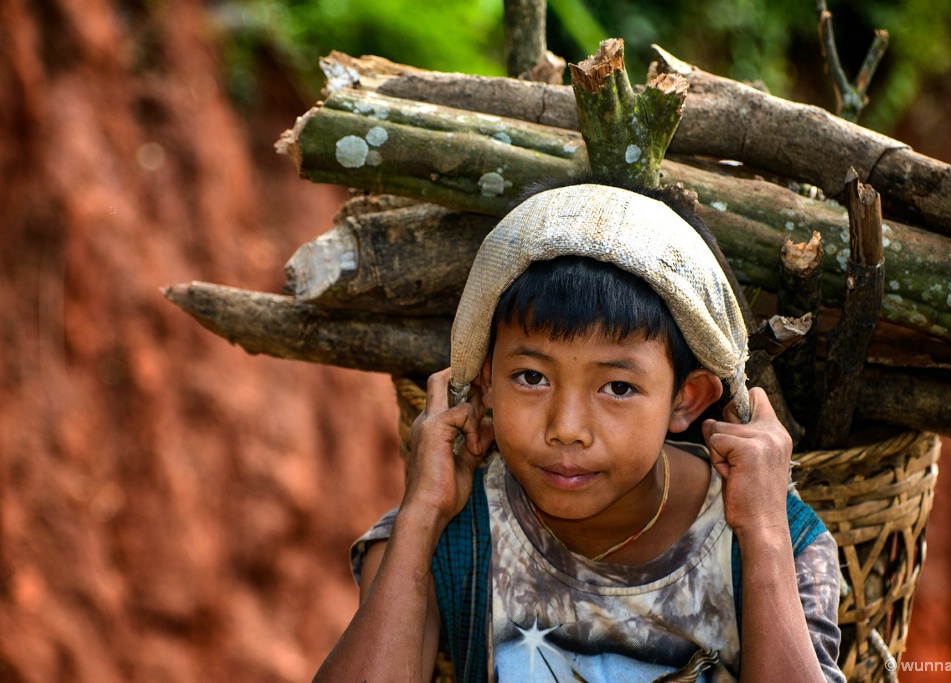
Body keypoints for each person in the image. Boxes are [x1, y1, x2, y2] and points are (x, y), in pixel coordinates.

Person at [313, 181, 845, 682]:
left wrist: (765, 535)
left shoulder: (778, 543)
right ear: (485, 385)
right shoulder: (449, 536)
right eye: (531, 377)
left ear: (687, 399)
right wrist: (423, 513)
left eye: (616, 387)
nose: (566, 430)